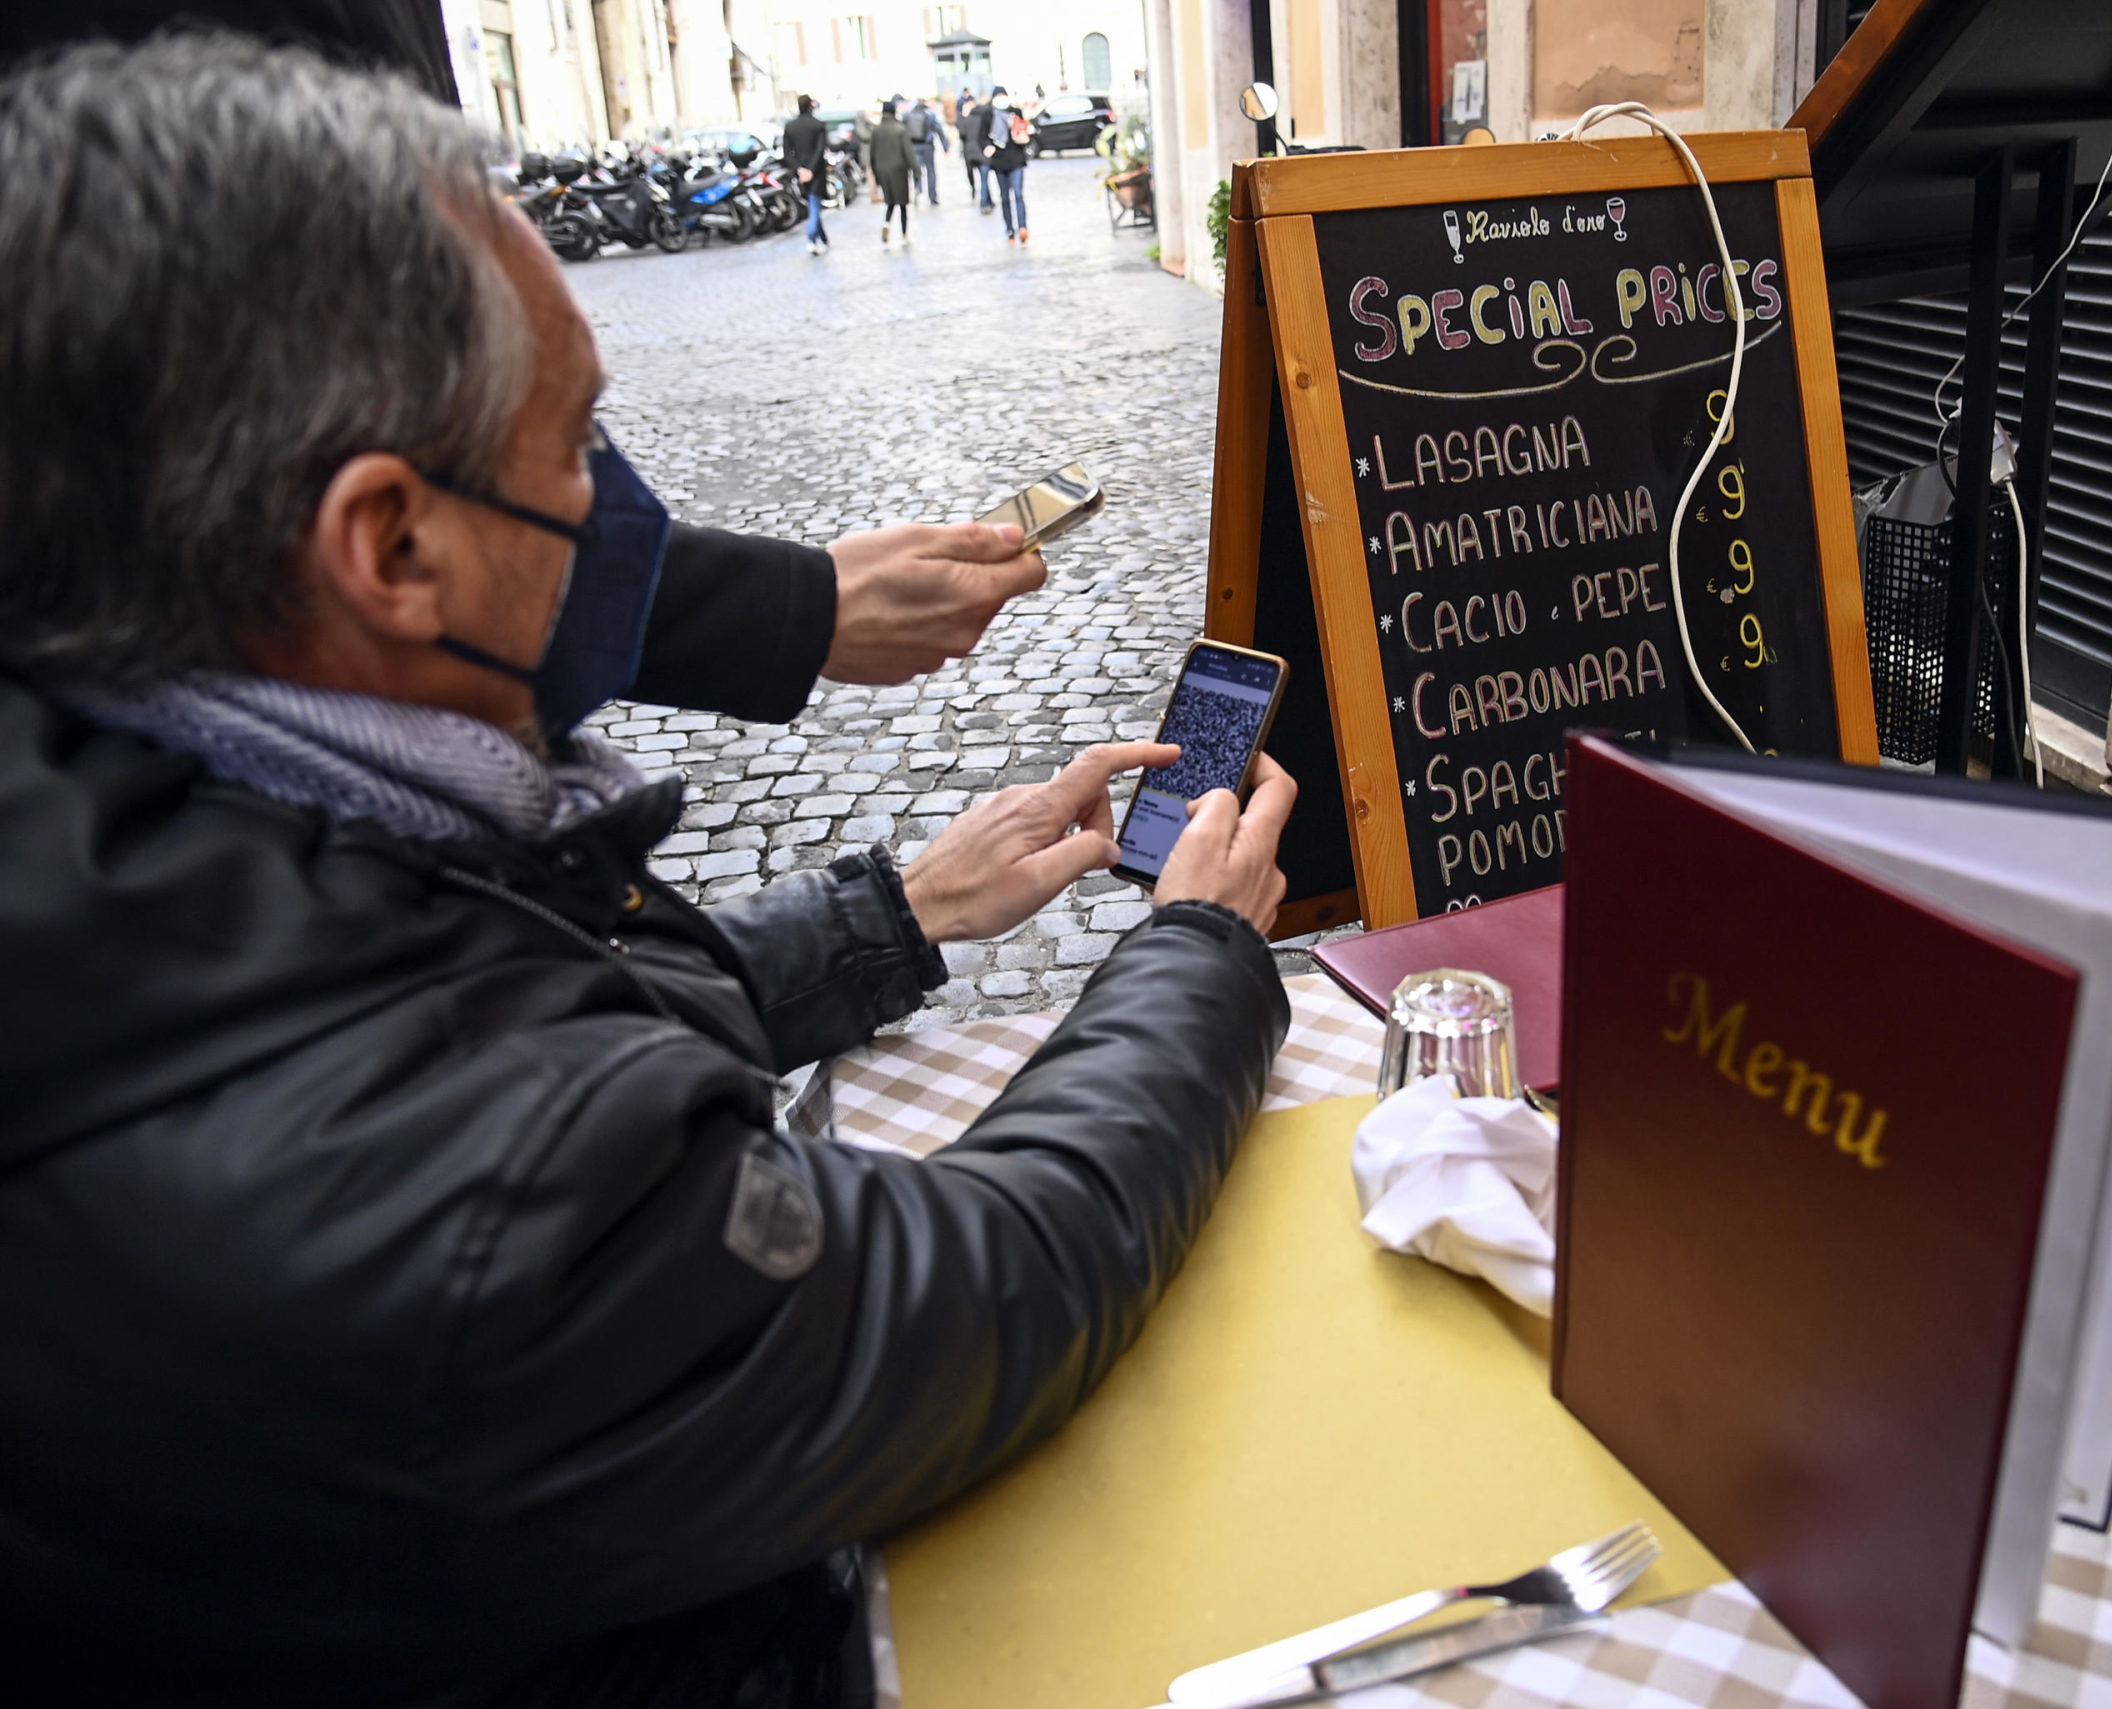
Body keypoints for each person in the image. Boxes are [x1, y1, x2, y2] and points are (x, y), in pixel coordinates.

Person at [0, 34, 1298, 1709]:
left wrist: (899, 908)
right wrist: (1194, 946)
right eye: (578, 438)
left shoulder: (133, 778)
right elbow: (986, 1288)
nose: (621, 509)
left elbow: (484, 1022)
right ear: (391, 545)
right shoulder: (444, 1197)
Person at [983, 83, 1030, 243]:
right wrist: (987, 147)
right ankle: (1010, 230)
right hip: (999, 162)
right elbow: (982, 136)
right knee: (1004, 197)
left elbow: (1024, 130)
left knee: (1017, 194)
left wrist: (1022, 136)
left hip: (1016, 159)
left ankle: (1023, 227)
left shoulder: (1015, 112)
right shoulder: (988, 115)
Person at [782, 91, 828, 254]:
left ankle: (823, 238)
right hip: (815, 171)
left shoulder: (791, 126)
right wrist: (810, 169)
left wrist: (799, 169)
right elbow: (820, 149)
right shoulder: (818, 125)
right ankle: (811, 238)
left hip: (801, 171)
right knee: (814, 205)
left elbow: (787, 152)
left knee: (813, 203)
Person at [869, 93, 916, 242]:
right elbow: (908, 153)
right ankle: (903, 234)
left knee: (890, 203)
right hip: (899, 170)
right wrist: (916, 170)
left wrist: (876, 174)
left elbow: (872, 155)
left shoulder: (876, 131)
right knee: (902, 204)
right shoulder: (899, 129)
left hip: (882, 171)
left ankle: (886, 223)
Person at [902, 91, 950, 206]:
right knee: (931, 171)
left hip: (914, 146)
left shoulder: (907, 115)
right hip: (928, 146)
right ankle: (932, 196)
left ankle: (918, 188)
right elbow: (939, 130)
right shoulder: (930, 114)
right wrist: (945, 147)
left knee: (916, 170)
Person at [955, 89, 982, 205]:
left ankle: (985, 196)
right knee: (970, 172)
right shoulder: (963, 118)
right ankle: (974, 189)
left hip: (979, 148)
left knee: (983, 173)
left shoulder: (980, 115)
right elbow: (961, 133)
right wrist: (964, 117)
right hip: (968, 150)